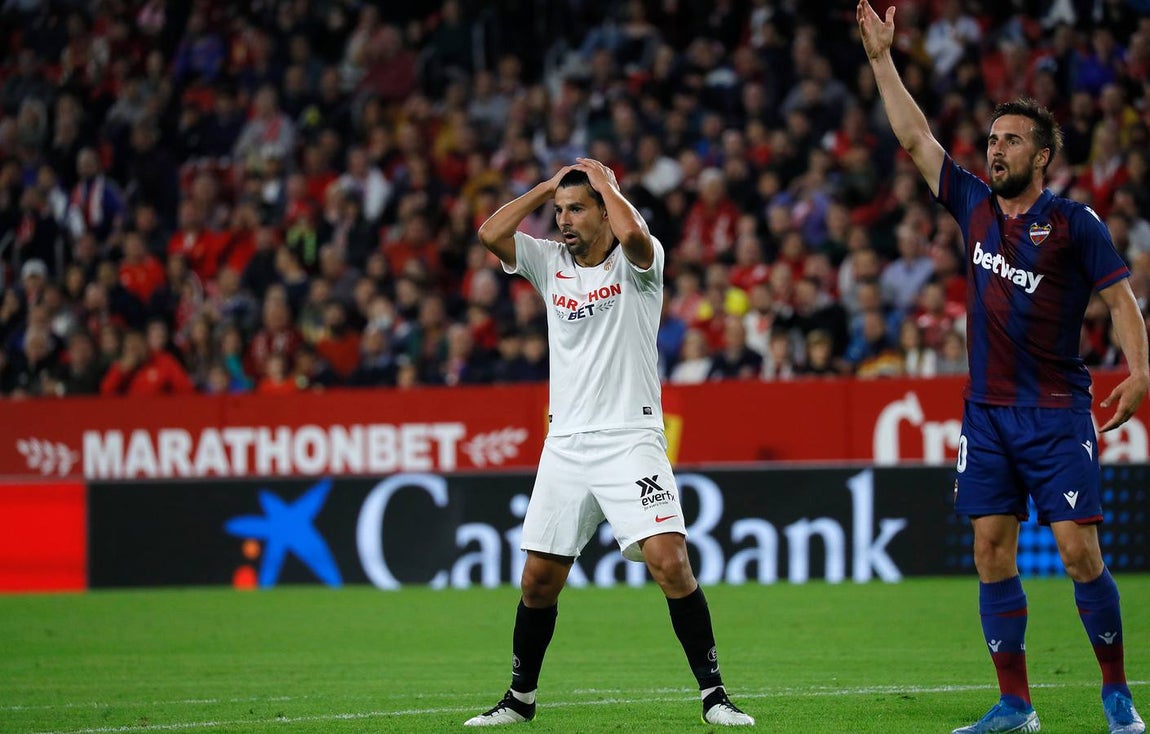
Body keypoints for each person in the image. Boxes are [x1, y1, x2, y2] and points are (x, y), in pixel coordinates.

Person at [858, 3, 1148, 734]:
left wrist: (1140, 372)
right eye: (992, 139)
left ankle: (1117, 693)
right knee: (990, 548)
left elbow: (1121, 301)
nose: (996, 150)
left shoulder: (1075, 224)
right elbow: (914, 137)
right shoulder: (974, 206)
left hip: (1055, 411)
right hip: (985, 413)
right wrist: (882, 59)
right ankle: (1016, 704)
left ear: (1042, 156)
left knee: (1079, 551)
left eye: (1012, 140)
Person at [465, 159, 754, 727]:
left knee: (670, 562)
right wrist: (547, 188)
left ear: (603, 210)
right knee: (538, 581)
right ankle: (520, 700)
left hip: (630, 438)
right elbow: (491, 234)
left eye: (577, 209)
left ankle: (715, 696)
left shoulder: (639, 264)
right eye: (559, 212)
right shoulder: (550, 263)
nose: (564, 220)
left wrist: (606, 184)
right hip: (567, 443)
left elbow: (635, 236)